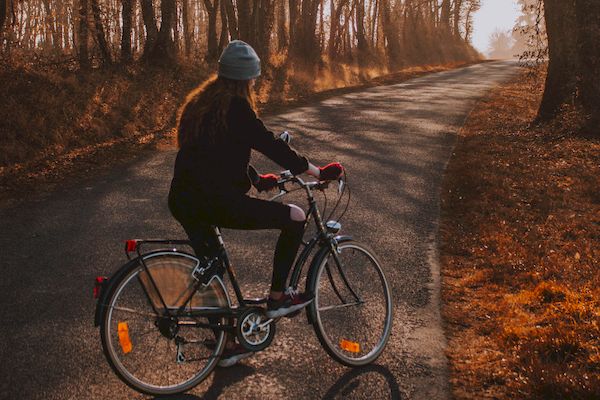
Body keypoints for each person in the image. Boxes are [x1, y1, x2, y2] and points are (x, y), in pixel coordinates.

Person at [168, 40, 344, 367]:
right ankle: (278, 298)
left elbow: (217, 152)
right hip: (214, 201)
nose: (253, 84)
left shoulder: (200, 103)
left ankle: (225, 345)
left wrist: (257, 180)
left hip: (183, 199)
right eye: (253, 79)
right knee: (294, 216)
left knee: (213, 268)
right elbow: (269, 145)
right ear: (247, 79)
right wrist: (318, 171)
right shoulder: (235, 107)